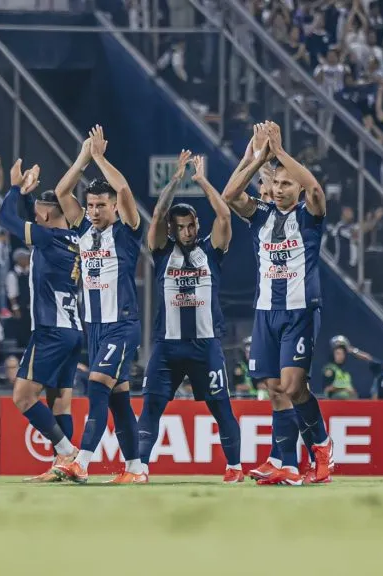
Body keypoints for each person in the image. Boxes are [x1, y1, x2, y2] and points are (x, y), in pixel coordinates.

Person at [221, 122, 334, 486]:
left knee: (291, 385)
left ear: (297, 188)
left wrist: (280, 153)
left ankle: (321, 444)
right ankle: (284, 462)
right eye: (277, 183)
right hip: (266, 310)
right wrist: (258, 158)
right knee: (274, 388)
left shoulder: (309, 217)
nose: (281, 189)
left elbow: (316, 187)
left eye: (288, 183)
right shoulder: (261, 217)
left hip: (300, 310)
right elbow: (229, 195)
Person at [136, 151, 242, 483]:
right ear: (172, 229)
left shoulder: (211, 251)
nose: (186, 231)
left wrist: (199, 180)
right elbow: (156, 216)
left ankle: (235, 468)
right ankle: (139, 468)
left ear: (197, 225)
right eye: (180, 227)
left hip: (205, 346)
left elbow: (224, 215)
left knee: (221, 409)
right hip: (166, 348)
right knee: (151, 408)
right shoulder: (161, 251)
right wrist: (174, 181)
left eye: (191, 225)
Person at [53, 126, 144, 484]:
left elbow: (123, 189)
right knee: (119, 400)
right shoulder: (83, 231)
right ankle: (135, 470)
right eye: (90, 205)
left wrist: (101, 158)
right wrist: (83, 157)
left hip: (121, 324)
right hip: (95, 327)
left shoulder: (127, 231)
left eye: (100, 206)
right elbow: (62, 191)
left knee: (96, 385)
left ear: (114, 208)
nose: (92, 211)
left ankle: (82, 462)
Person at [0, 159, 84, 482]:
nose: (33, 215)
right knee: (60, 402)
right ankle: (62, 470)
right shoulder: (73, 238)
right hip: (73, 330)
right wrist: (26, 194)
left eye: (36, 212)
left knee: (22, 396)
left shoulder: (47, 238)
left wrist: (15, 188)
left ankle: (66, 452)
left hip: (51, 330)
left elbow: (5, 218)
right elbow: (31, 212)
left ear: (47, 215)